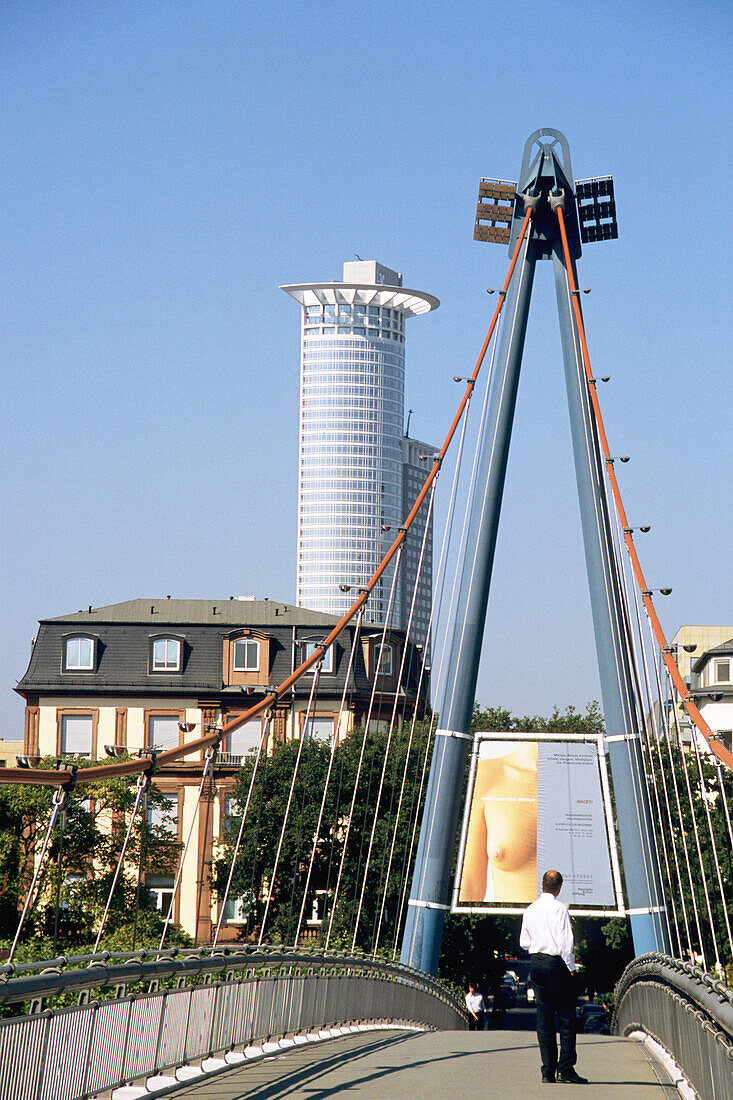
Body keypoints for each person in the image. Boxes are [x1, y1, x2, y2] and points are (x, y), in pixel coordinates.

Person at [520, 869, 588, 1085]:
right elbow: (565, 943)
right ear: (559, 887)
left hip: (537, 963)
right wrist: (570, 968)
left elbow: (524, 942)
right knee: (567, 1018)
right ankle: (566, 1069)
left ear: (542, 885)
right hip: (556, 964)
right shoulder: (560, 909)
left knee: (544, 1017)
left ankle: (547, 1071)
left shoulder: (530, 909)